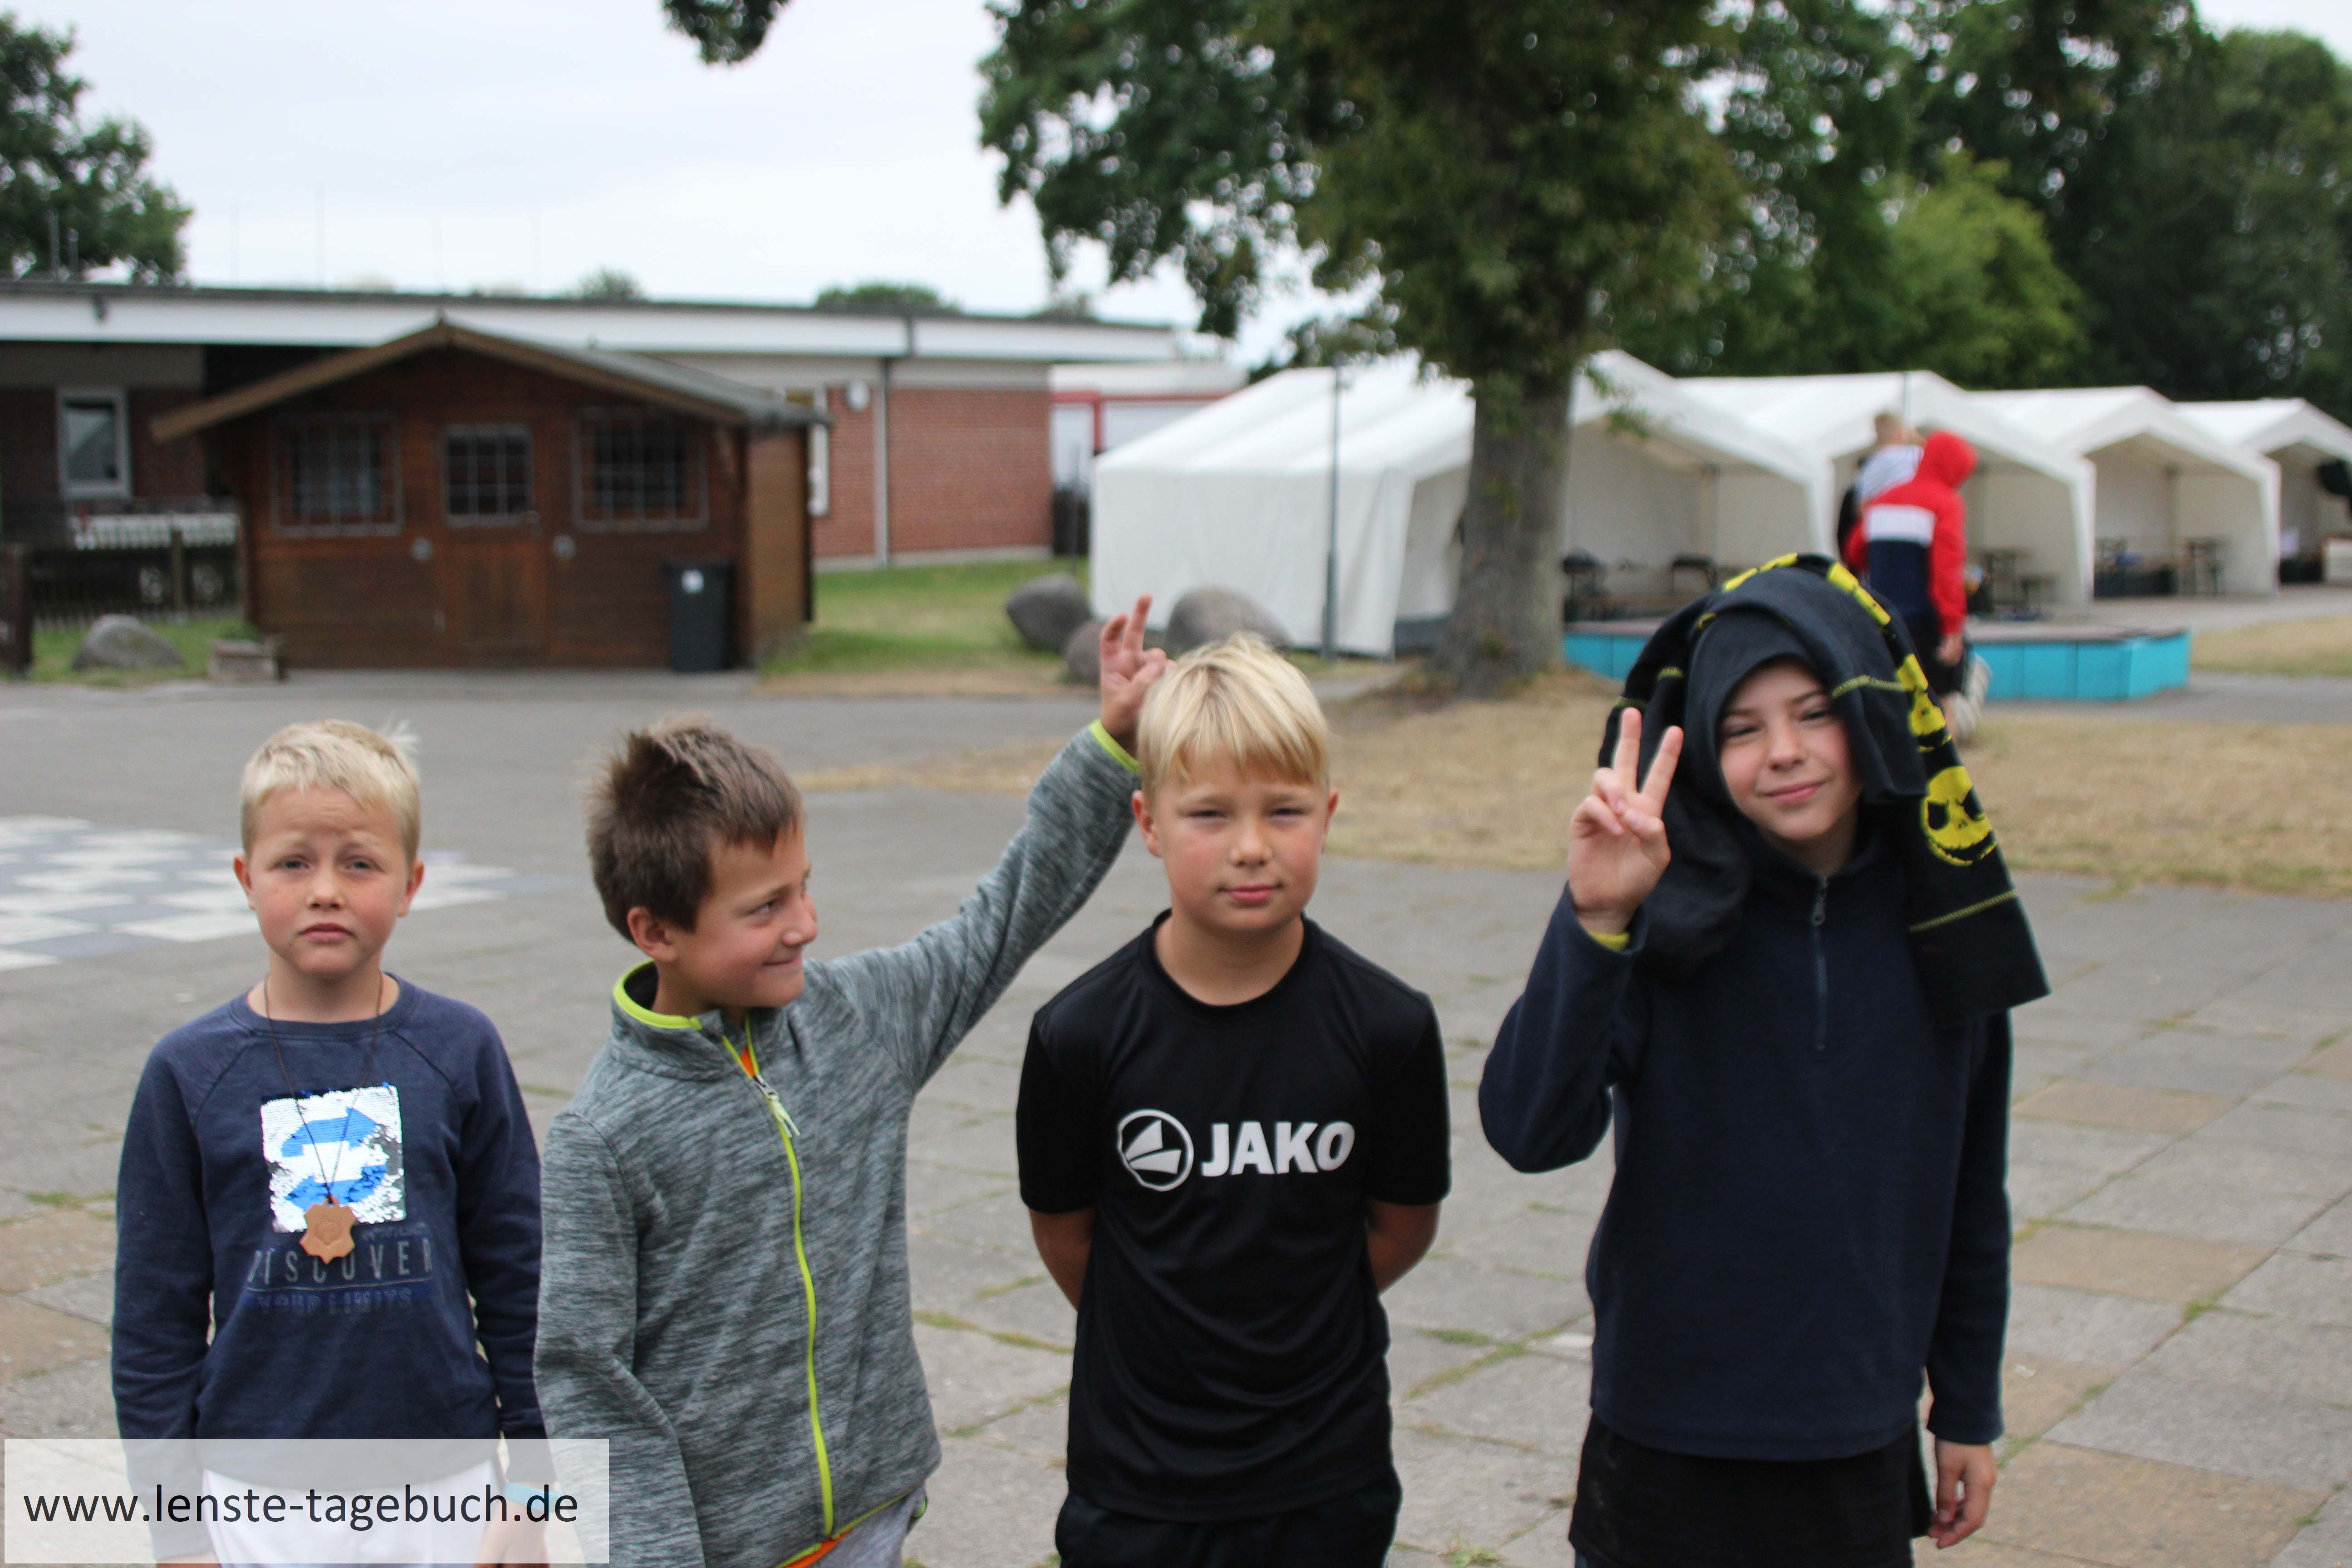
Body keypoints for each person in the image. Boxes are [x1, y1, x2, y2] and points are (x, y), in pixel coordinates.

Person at [534, 602, 1168, 1568]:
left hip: (875, 1512)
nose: (806, 923)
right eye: (764, 908)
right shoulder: (603, 1138)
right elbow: (586, 1383)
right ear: (655, 931)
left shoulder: (858, 1021)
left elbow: (1000, 918)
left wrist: (1109, 744)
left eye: (804, 886)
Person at [1478, 559, 2049, 1568]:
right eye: (1740, 728)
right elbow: (1529, 1129)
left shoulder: (1945, 927)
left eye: (1814, 713)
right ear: (1703, 750)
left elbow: (1971, 1187)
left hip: (1855, 1425)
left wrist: (1967, 1404)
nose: (1782, 751)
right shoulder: (1665, 919)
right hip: (1665, 1426)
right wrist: (1596, 921)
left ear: (1871, 714)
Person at [1016, 634, 1450, 1568]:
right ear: (1148, 821)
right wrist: (1166, 1327)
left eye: (1283, 810)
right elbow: (1067, 1238)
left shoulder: (1390, 1028)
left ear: (1327, 815)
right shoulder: (1077, 1036)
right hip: (1139, 1482)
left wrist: (1298, 1319)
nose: (1251, 848)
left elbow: (1402, 1227)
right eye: (1209, 813)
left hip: (1325, 1475)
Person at [113, 720, 547, 1566]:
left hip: (447, 1486)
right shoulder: (186, 1073)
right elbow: (152, 1321)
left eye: (358, 863)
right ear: (245, 879)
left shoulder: (461, 1050)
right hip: (254, 1496)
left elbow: (521, 1281)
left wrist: (533, 1491)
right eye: (292, 863)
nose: (324, 891)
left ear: (410, 883)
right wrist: (177, 1531)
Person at [1835, 411, 1923, 561]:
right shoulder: (1915, 454)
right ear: (1901, 432)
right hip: (1916, 530)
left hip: (1882, 535)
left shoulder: (1871, 466)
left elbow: (1862, 507)